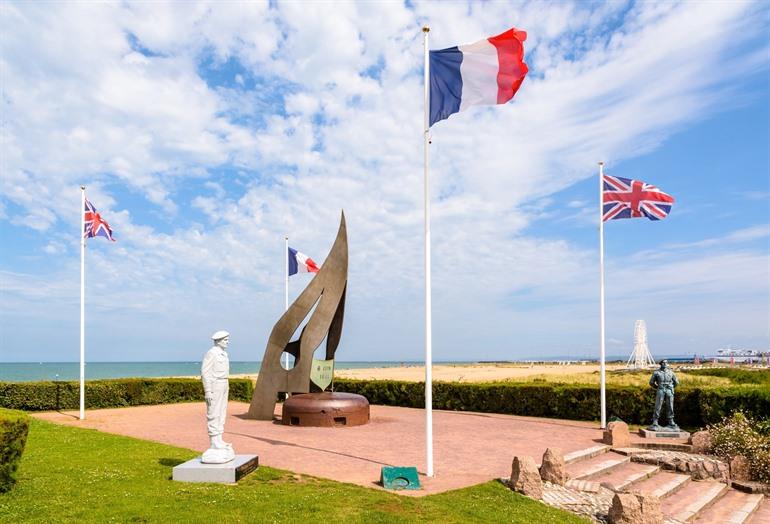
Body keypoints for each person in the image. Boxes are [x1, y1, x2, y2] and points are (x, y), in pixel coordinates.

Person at [201, 330, 234, 462]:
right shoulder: (212, 353)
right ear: (218, 341)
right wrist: (208, 391)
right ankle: (214, 441)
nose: (227, 342)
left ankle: (219, 439)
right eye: (225, 340)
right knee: (213, 413)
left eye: (227, 339)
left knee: (222, 412)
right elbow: (205, 372)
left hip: (224, 384)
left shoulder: (224, 354)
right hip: (215, 385)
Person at [648, 359, 679, 430]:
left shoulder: (671, 372)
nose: (665, 364)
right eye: (663, 363)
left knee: (670, 406)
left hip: (669, 390)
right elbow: (651, 382)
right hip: (661, 389)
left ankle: (671, 421)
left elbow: (676, 382)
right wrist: (658, 387)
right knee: (658, 405)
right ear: (660, 364)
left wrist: (671, 387)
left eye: (666, 363)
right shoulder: (656, 372)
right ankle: (655, 421)